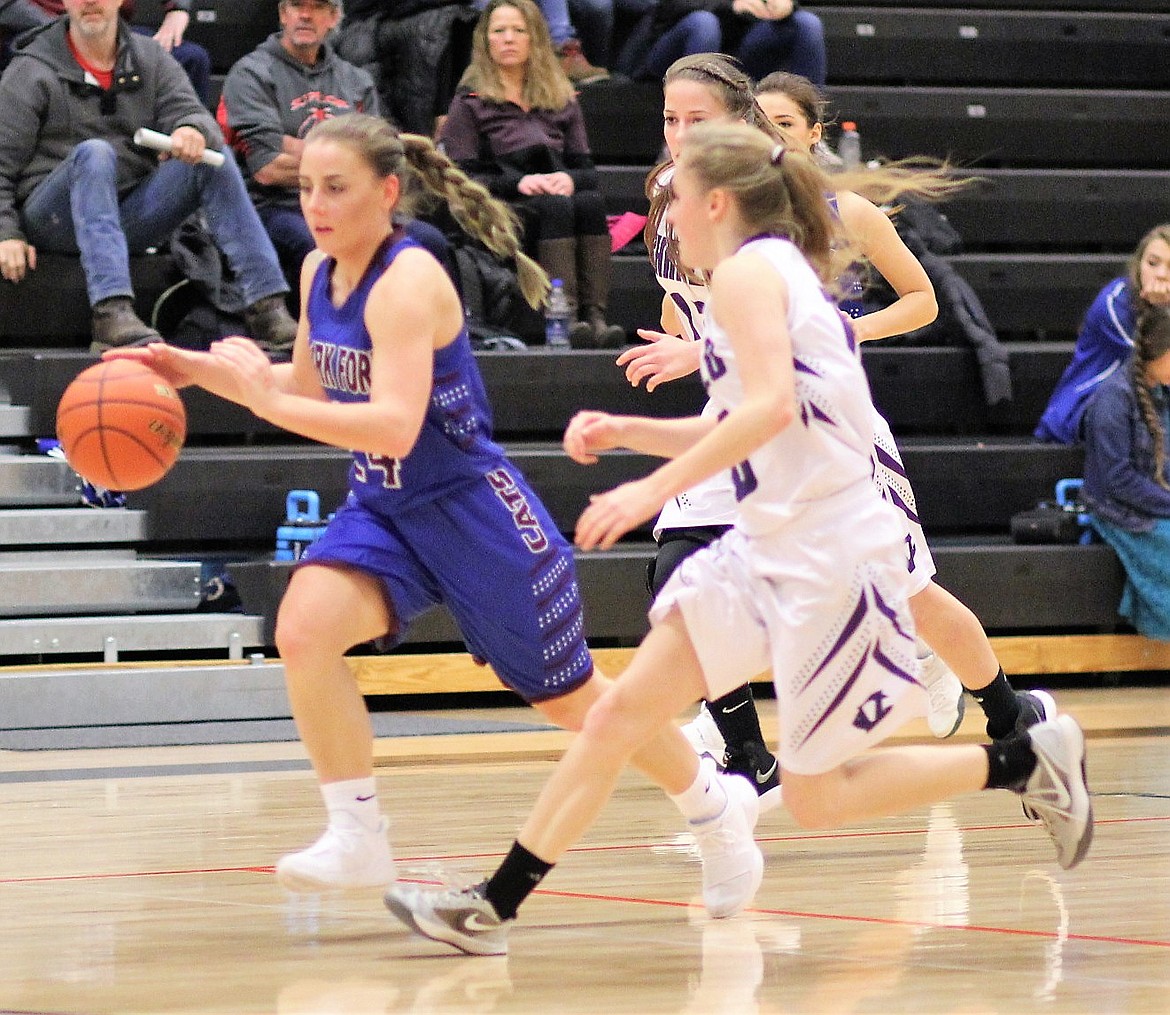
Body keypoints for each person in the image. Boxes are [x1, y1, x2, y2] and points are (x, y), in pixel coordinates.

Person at [385, 122, 1094, 957]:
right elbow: (737, 415)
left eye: (674, 198)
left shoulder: (752, 276)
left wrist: (649, 487)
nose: (665, 217)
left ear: (715, 201)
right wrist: (631, 432)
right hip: (763, 545)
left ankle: (1023, 760)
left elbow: (771, 411)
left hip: (833, 553)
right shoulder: (755, 274)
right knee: (617, 715)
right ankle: (493, 906)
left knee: (816, 798)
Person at [105, 112, 760, 904]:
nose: (316, 203)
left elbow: (392, 421)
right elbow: (310, 388)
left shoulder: (410, 281)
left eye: (336, 187)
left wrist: (258, 400)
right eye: (307, 186)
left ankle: (713, 805)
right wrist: (197, 369)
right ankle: (357, 833)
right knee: (303, 629)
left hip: (474, 514)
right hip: (386, 507)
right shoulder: (319, 271)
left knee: (577, 703)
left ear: (387, 192)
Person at [620, 58, 1055, 781]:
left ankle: (1009, 714)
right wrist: (683, 343)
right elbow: (690, 306)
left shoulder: (803, 215)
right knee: (677, 570)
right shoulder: (672, 203)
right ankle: (748, 755)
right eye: (671, 119)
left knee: (914, 594)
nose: (680, 134)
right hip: (742, 419)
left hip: (823, 429)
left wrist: (844, 330)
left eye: (696, 120)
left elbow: (846, 316)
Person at [0, 0, 298, 355]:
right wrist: (6, 232)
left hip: (127, 213)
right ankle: (111, 312)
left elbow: (193, 113)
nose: (90, 1)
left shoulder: (150, 57)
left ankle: (266, 305)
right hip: (53, 219)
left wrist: (191, 129)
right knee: (95, 154)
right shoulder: (30, 69)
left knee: (212, 159)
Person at [219, 0, 451, 290]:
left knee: (429, 241)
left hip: (353, 207)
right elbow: (268, 168)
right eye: (296, 5)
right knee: (316, 243)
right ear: (283, 14)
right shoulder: (252, 74)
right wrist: (347, 162)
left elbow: (376, 158)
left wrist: (292, 145)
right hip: (279, 206)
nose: (305, 15)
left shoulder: (355, 81)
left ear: (333, 17)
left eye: (317, 7)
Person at [440, 0, 625, 349]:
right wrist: (518, 183)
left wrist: (570, 179)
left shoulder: (561, 97)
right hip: (500, 203)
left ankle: (595, 316)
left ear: (534, 39)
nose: (509, 39)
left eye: (518, 30)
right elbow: (461, 179)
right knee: (557, 207)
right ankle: (564, 317)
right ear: (486, 41)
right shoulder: (470, 101)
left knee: (587, 202)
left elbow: (586, 171)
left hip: (555, 195)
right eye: (499, 31)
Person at [1035, 223, 1170, 445]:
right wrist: (1163, 310)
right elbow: (1156, 363)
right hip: (1088, 408)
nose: (1161, 275)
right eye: (1152, 263)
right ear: (1138, 266)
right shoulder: (1113, 304)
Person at [1082, 304, 1170, 639]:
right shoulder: (1113, 398)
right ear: (1159, 354)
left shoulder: (1161, 391)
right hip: (1115, 509)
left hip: (1151, 498)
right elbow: (1117, 481)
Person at [6, 0, 212, 103]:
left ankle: (175, 164)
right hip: (36, 28)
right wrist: (66, 26)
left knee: (191, 58)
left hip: (108, 26)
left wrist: (178, 8)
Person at [614, 0, 826, 86]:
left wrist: (787, 5)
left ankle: (811, 128)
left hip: (739, 49)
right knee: (704, 24)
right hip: (675, 45)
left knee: (807, 23)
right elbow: (670, 7)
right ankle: (695, 129)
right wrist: (730, 5)